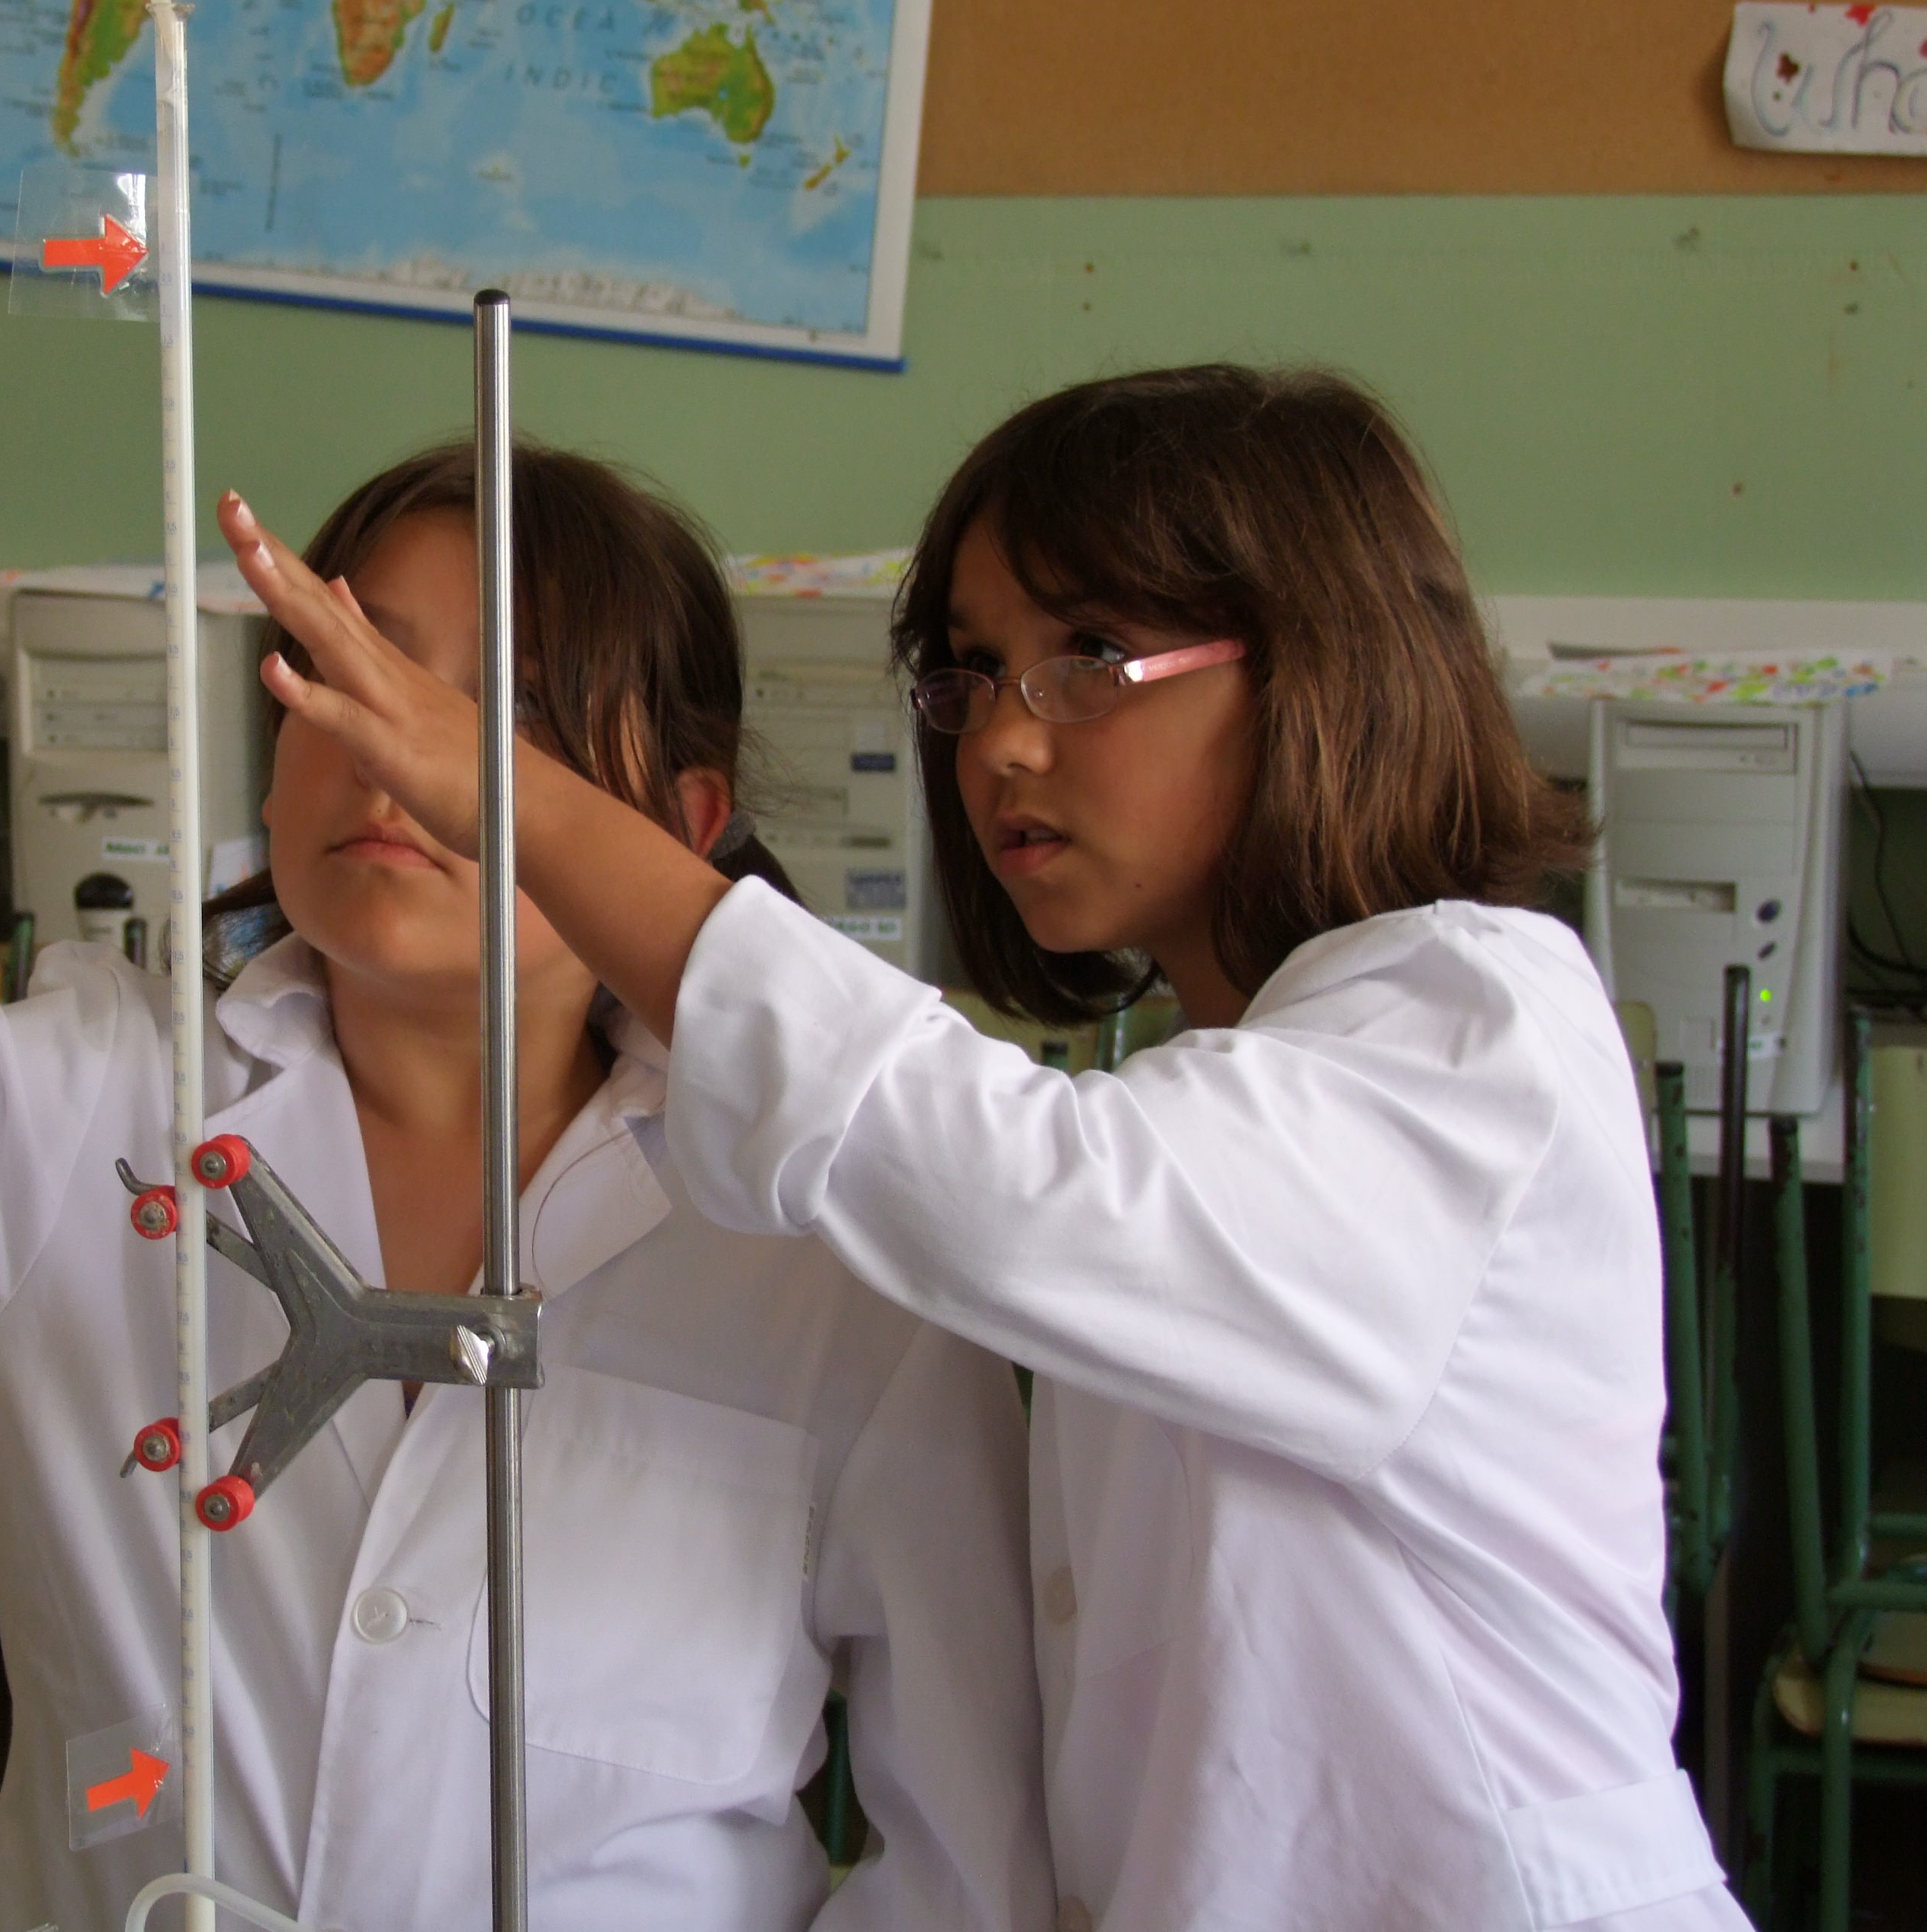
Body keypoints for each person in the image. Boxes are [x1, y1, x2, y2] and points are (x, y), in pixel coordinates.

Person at [0, 392, 1054, 1932]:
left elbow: (968, 1859)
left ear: (682, 820)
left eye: (500, 715)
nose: (397, 755)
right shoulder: (87, 1105)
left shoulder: (821, 1237)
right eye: (344, 674)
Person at [222, 365, 1737, 1932]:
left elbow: (1016, 1191)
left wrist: (517, 802)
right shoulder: (1206, 1089)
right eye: (972, 673)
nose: (1005, 741)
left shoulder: (1472, 1023)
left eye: (1088, 659)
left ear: (1319, 668)